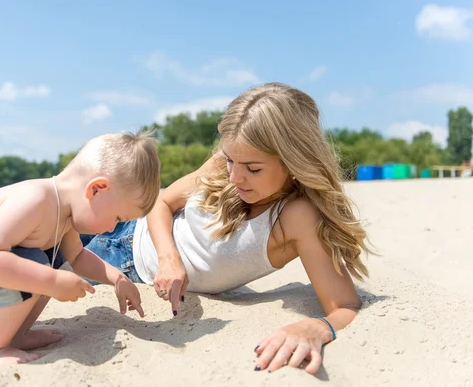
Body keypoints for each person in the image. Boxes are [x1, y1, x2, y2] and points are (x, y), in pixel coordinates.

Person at [80, 83, 373, 375]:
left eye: (252, 169)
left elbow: (344, 306)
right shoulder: (230, 160)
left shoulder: (298, 217)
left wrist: (316, 327)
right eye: (230, 160)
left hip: (123, 266)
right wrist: (169, 258)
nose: (234, 176)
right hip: (123, 221)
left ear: (293, 160)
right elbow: (162, 201)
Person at [0, 130, 161, 370]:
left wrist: (117, 277)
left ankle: (14, 335)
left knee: (53, 259)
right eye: (117, 217)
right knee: (38, 265)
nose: (109, 228)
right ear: (96, 189)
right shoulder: (37, 198)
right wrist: (51, 281)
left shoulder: (64, 217)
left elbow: (79, 258)